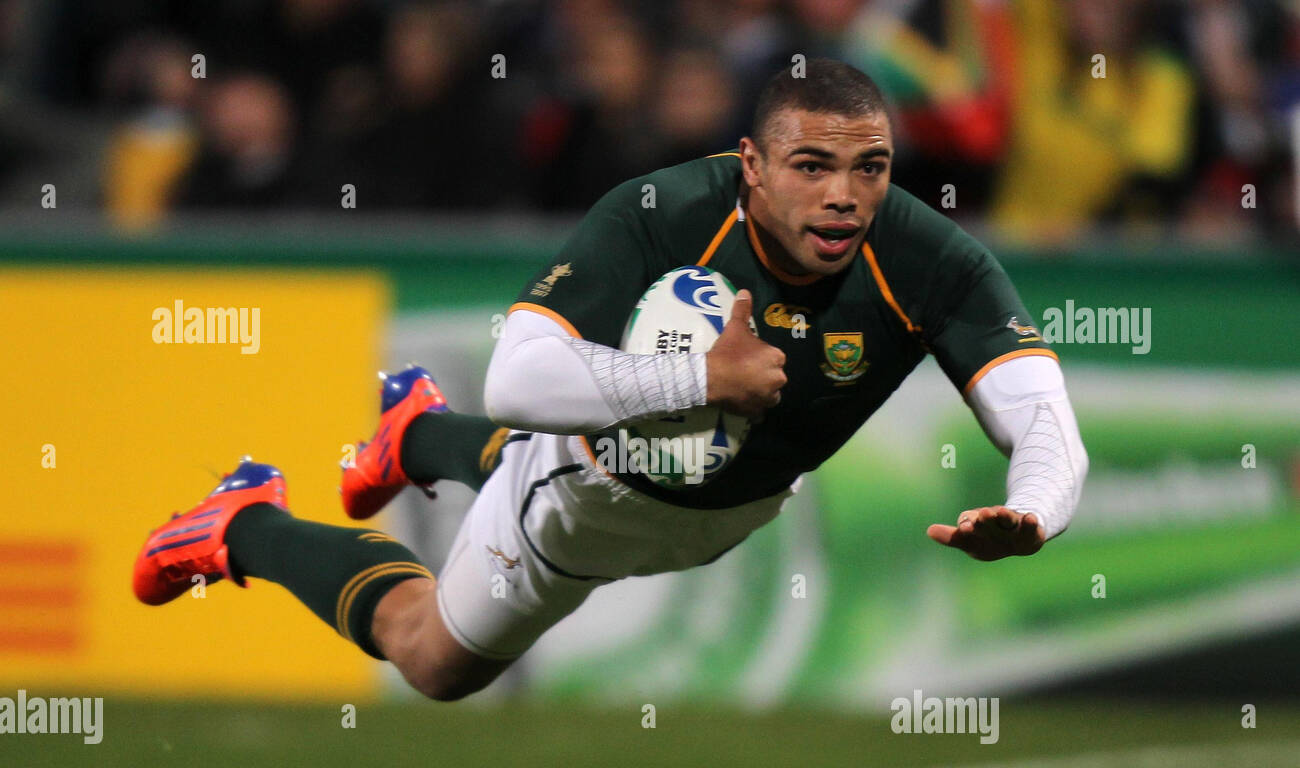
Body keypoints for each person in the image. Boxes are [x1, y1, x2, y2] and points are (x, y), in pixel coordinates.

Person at [133, 59, 1088, 701]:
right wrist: (696, 375)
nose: (844, 194)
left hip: (729, 515)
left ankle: (414, 431)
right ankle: (245, 522)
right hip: (585, 495)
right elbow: (519, 374)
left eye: (870, 168)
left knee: (560, 463)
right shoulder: (659, 211)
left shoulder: (936, 263)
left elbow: (1043, 417)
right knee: (434, 661)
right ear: (751, 166)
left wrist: (1036, 510)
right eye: (813, 165)